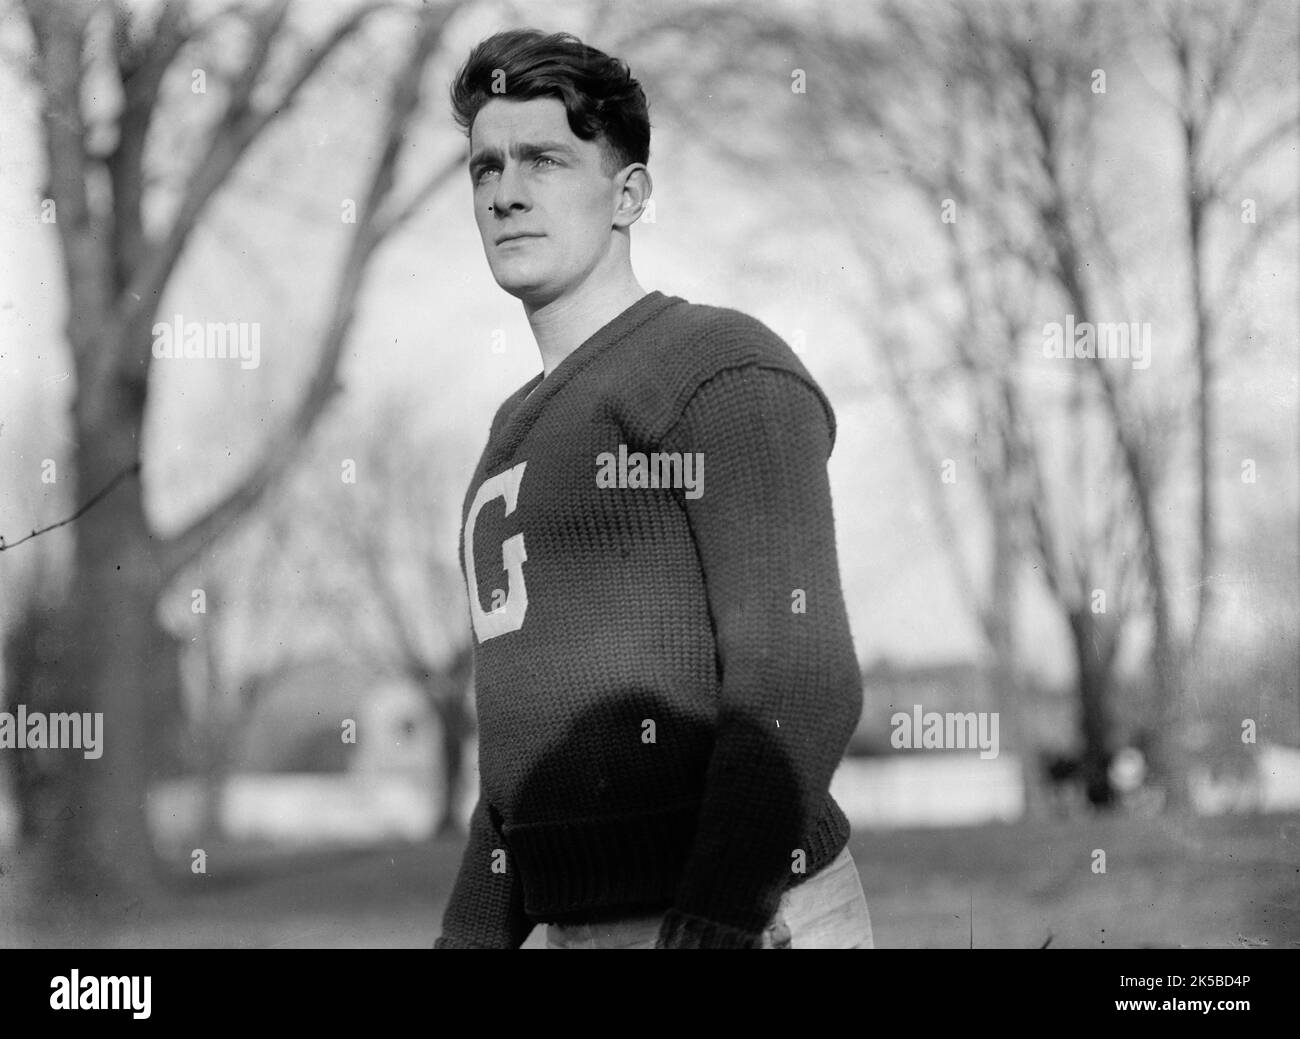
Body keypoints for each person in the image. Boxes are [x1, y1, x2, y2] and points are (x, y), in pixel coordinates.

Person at [433, 28, 872, 949]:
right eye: (484, 169)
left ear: (628, 193)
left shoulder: (714, 368)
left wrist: (716, 912)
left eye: (544, 160)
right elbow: (516, 775)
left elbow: (799, 674)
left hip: (745, 918)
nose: (505, 191)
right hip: (574, 928)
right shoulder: (513, 431)